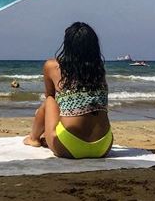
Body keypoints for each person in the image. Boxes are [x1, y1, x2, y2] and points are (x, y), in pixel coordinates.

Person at [24, 22, 112, 159]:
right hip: (103, 147)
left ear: (67, 45)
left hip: (69, 146)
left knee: (50, 100)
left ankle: (33, 138)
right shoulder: (98, 70)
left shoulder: (52, 66)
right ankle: (50, 136)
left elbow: (50, 96)